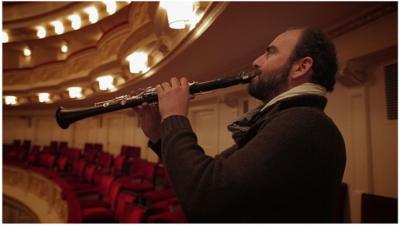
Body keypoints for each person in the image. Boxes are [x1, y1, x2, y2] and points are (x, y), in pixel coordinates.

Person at [134, 27, 346, 222]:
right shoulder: (286, 118)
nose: (256, 61)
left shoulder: (304, 123)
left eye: (270, 52)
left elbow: (206, 196)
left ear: (301, 67)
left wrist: (173, 116)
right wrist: (159, 134)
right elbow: (198, 176)